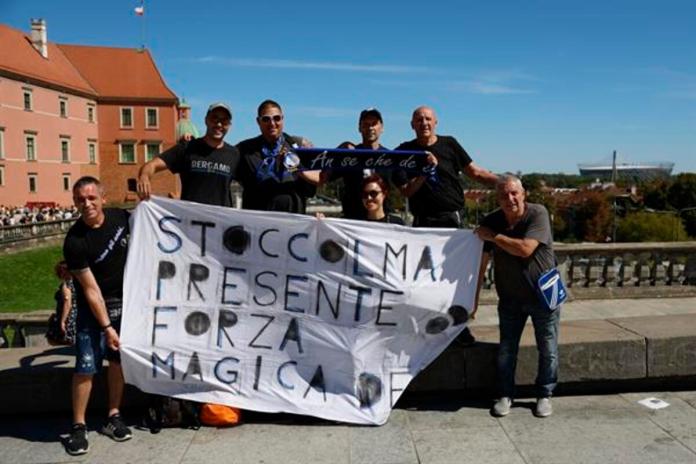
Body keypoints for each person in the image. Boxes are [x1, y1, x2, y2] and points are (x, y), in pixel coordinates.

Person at [394, 105, 497, 345]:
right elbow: (406, 191)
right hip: (424, 224)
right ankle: (426, 326)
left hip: (453, 220)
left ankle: (458, 327)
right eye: (419, 120)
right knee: (424, 280)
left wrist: (504, 182)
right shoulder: (404, 152)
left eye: (428, 119)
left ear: (436, 122)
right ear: (412, 125)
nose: (424, 123)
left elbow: (475, 172)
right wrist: (423, 170)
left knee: (455, 278)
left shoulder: (450, 144)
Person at [475, 174, 560, 418]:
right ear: (497, 198)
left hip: (544, 295)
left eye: (514, 193)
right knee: (506, 350)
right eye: (503, 195)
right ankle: (505, 395)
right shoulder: (491, 219)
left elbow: (525, 249)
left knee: (548, 349)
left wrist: (492, 236)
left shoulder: (537, 214)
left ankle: (544, 395)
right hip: (510, 297)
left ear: (523, 194)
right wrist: (473, 299)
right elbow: (481, 263)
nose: (509, 198)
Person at [62, 176, 132, 455]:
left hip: (126, 302)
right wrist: (107, 327)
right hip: (95, 310)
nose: (87, 203)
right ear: (75, 202)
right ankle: (78, 426)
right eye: (81, 199)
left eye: (92, 197)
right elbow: (90, 290)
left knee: (117, 362)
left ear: (103, 198)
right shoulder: (75, 241)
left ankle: (113, 416)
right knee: (85, 366)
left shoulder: (121, 217)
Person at [137, 102, 240, 207]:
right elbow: (151, 165)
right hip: (190, 219)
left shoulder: (234, 154)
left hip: (221, 220)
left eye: (224, 121)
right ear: (206, 120)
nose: (219, 124)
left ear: (229, 125)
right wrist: (144, 176)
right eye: (214, 118)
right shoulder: (187, 148)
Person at [236, 100, 320, 213]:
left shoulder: (300, 147)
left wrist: (294, 167)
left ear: (282, 119)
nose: (272, 123)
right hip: (257, 223)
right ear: (258, 121)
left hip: (293, 221)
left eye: (276, 118)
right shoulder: (244, 149)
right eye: (266, 119)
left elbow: (318, 179)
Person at [325, 108, 392, 220]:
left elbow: (407, 188)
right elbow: (323, 177)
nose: (370, 128)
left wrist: (425, 169)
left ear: (382, 127)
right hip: (353, 221)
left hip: (382, 222)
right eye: (365, 124)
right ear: (359, 128)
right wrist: (337, 151)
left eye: (374, 123)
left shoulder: (391, 157)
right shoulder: (349, 155)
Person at [54, 260, 77, 345]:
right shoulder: (80, 282)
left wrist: (63, 320)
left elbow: (67, 303)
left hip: (72, 316)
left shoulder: (67, 284)